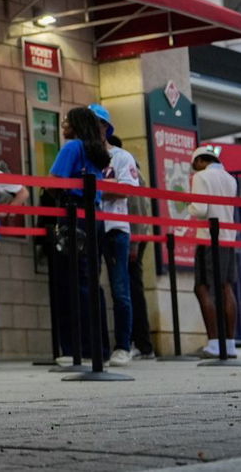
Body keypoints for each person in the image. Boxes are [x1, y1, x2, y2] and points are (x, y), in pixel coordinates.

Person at [48, 106, 112, 366]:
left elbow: (54, 181)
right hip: (94, 217)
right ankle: (98, 348)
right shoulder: (96, 150)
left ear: (76, 125)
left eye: (67, 121)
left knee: (69, 282)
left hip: (73, 216)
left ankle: (75, 349)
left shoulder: (72, 147)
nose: (63, 125)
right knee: (89, 282)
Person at [91, 106, 137, 367]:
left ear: (104, 127)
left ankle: (123, 345)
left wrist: (94, 191)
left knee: (120, 290)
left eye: (96, 123)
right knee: (92, 287)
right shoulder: (83, 155)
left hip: (116, 228)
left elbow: (127, 189)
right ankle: (99, 346)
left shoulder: (121, 156)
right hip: (91, 227)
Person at [188, 143, 239, 358]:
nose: (195, 169)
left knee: (203, 287)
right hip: (228, 239)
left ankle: (214, 343)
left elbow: (200, 210)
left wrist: (188, 206)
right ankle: (230, 344)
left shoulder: (201, 177)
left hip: (208, 238)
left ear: (200, 161)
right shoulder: (230, 179)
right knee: (226, 287)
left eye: (195, 165)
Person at [107, 133, 156, 358]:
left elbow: (135, 207)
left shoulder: (127, 167)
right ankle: (140, 342)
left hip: (132, 234)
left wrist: (134, 242)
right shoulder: (134, 168)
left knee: (131, 288)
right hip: (134, 233)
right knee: (131, 287)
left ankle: (141, 342)